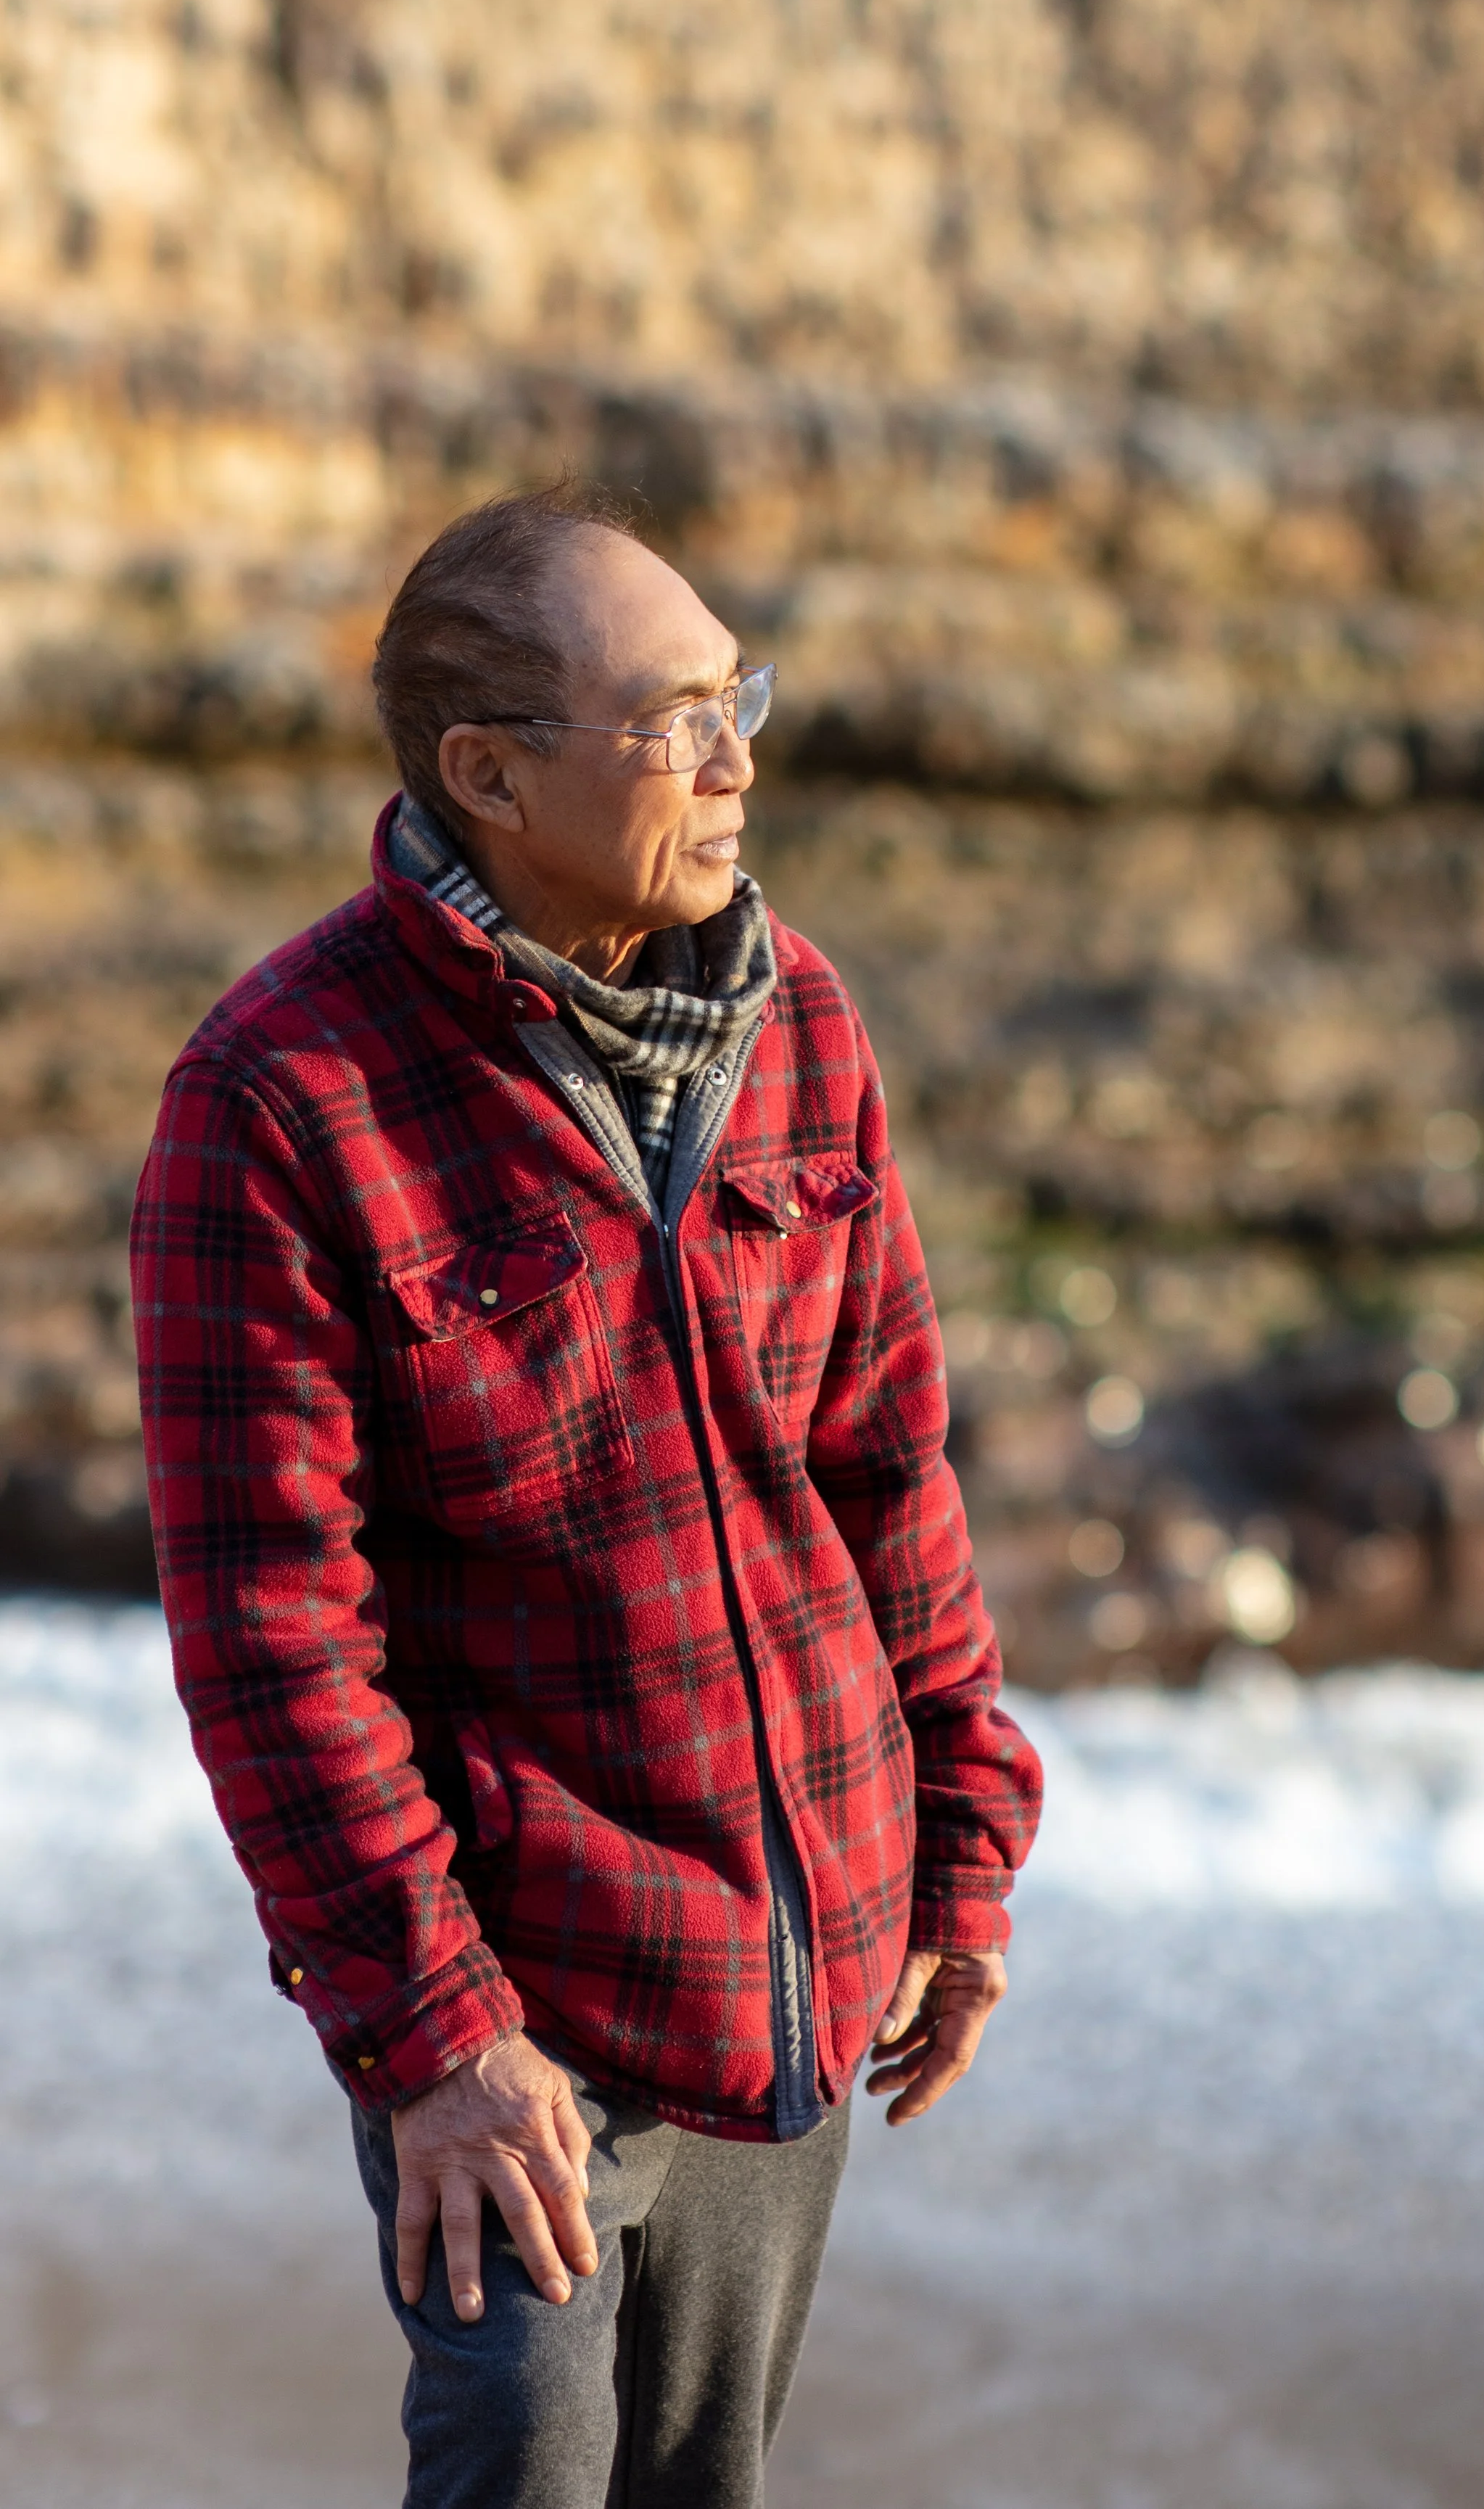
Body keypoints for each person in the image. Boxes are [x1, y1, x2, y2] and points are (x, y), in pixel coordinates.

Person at [131, 485, 1042, 2509]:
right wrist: (431, 2033)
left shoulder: (800, 1016)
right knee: (520, 2472)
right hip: (519, 2002)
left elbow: (890, 1465)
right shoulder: (281, 1099)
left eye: (744, 699)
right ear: (489, 773)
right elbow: (273, 1632)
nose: (738, 762)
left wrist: (961, 1846)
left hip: (798, 1956)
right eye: (675, 717)